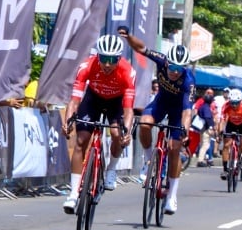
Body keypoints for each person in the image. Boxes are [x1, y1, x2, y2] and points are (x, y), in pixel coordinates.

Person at [120, 29, 194, 215]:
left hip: (178, 111)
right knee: (144, 124)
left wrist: (184, 130)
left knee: (174, 147)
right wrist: (129, 37)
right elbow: (141, 48)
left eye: (179, 69)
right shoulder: (161, 59)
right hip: (160, 103)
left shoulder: (188, 81)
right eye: (172, 68)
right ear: (166, 62)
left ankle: (172, 196)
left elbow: (187, 111)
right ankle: (148, 159)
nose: (175, 72)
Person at [61, 35, 135, 214]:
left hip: (115, 102)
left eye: (112, 60)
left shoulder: (128, 72)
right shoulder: (87, 66)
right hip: (93, 99)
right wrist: (68, 121)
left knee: (117, 134)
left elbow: (128, 110)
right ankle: (72, 194)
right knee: (81, 141)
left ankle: (111, 169)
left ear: (119, 58)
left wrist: (127, 131)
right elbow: (74, 100)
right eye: (104, 59)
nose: (107, 64)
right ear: (97, 56)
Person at [217, 88, 242, 179]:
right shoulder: (226, 106)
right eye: (232, 103)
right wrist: (220, 133)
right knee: (226, 145)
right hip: (231, 124)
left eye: (236, 103)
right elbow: (221, 120)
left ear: (240, 101)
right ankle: (225, 170)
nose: (234, 105)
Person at [194, 88, 216, 167]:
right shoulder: (206, 107)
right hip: (206, 128)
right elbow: (208, 118)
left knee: (203, 144)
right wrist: (211, 127)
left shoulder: (202, 106)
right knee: (205, 145)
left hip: (202, 128)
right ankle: (200, 160)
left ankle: (202, 159)